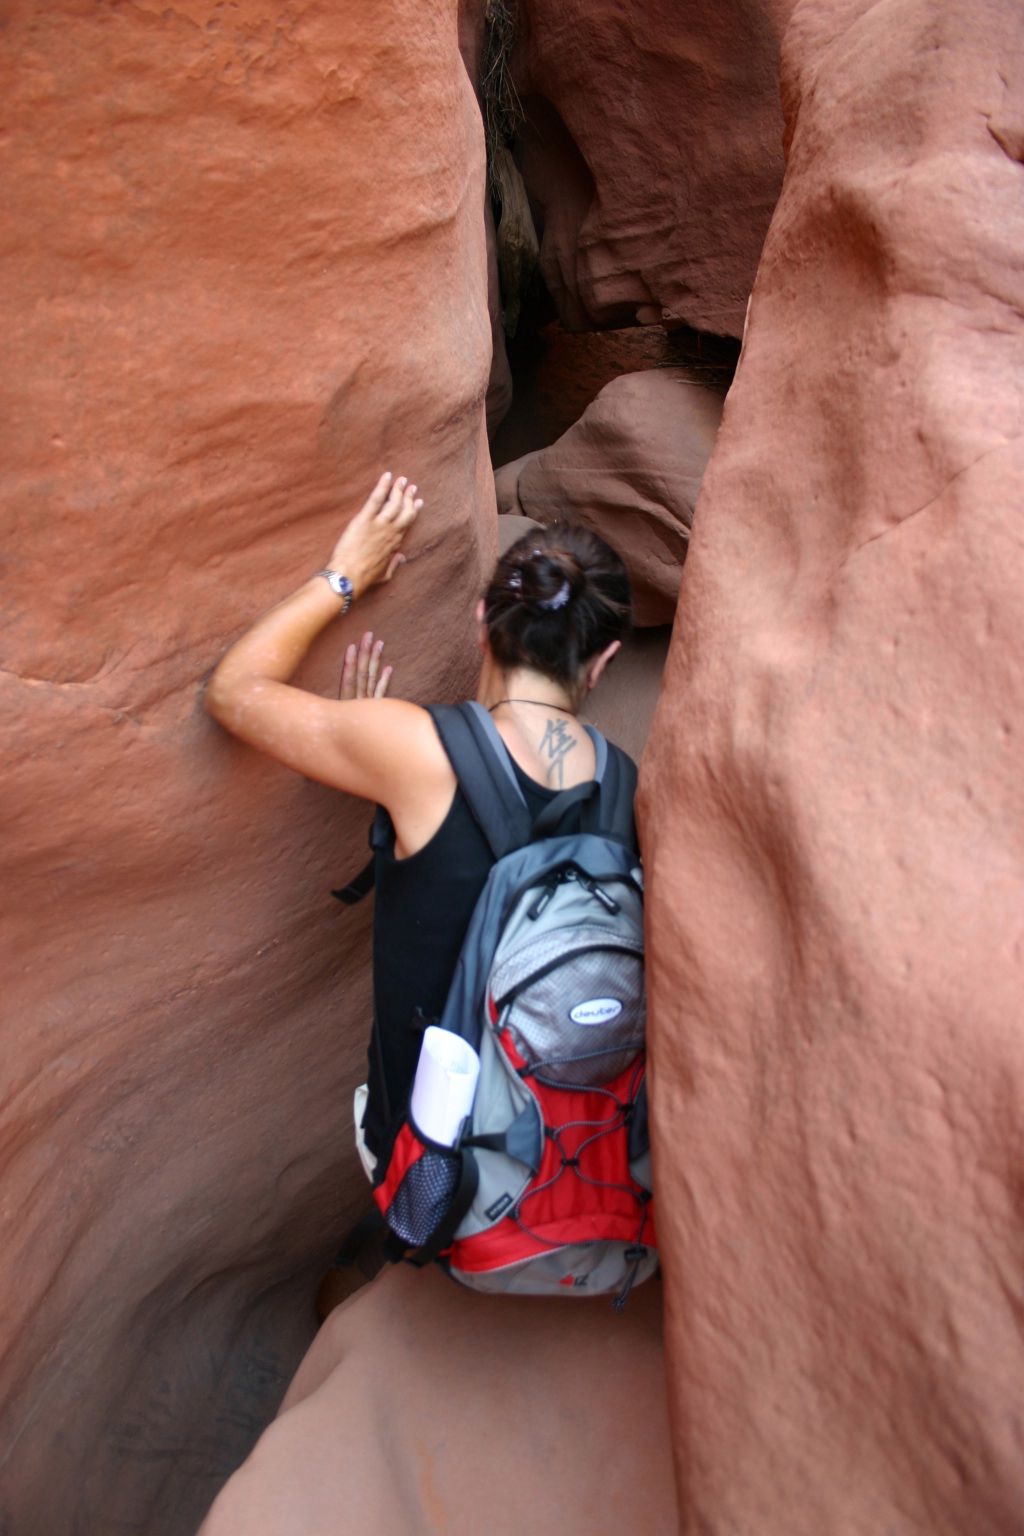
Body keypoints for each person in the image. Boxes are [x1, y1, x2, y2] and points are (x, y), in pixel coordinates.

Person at [205, 470, 634, 1170]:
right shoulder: (623, 781)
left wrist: (346, 576)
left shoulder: (414, 750)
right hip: (564, 1141)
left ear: (479, 619)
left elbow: (233, 693)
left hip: (434, 1155)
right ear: (606, 658)